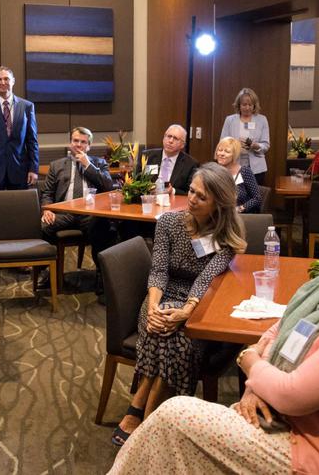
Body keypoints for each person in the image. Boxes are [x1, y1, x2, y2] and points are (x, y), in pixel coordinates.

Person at [110, 199, 319, 474]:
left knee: (173, 418)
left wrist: (249, 361)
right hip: (280, 418)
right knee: (170, 430)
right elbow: (278, 330)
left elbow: (290, 395)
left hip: (307, 450)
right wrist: (257, 385)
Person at [111, 163, 246, 447]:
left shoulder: (226, 236)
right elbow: (159, 270)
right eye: (192, 191)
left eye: (201, 197)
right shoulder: (169, 223)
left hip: (199, 300)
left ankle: (141, 408)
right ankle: (152, 417)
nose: (192, 199)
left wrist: (186, 311)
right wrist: (152, 307)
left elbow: (206, 279)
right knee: (160, 328)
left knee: (178, 340)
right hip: (160, 293)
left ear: (218, 204)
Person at [39, 126, 114, 295]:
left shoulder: (99, 163)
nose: (78, 145)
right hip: (65, 213)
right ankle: (47, 269)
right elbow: (47, 193)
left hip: (90, 215)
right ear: (70, 143)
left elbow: (109, 186)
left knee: (104, 228)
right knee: (44, 225)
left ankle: (101, 274)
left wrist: (88, 165)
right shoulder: (57, 165)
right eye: (75, 141)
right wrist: (47, 210)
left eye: (83, 142)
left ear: (89, 146)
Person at [220, 87, 270, 185]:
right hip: (234, 166)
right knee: (236, 193)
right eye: (244, 104)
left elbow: (266, 145)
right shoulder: (230, 120)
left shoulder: (262, 120)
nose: (247, 108)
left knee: (254, 193)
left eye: (250, 105)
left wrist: (256, 146)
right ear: (239, 105)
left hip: (256, 169)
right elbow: (222, 144)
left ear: (254, 105)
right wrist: (235, 145)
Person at [142, 124, 198, 195]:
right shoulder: (147, 157)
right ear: (163, 138)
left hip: (173, 200)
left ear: (182, 145)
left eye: (175, 138)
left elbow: (191, 191)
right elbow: (137, 181)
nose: (170, 141)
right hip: (149, 198)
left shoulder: (191, 164)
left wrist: (172, 191)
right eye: (169, 136)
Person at [214, 137, 262, 213]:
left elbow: (257, 199)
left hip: (241, 216)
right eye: (220, 150)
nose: (221, 154)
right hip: (220, 214)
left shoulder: (244, 171)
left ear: (235, 155)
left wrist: (239, 209)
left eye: (227, 151)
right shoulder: (214, 172)